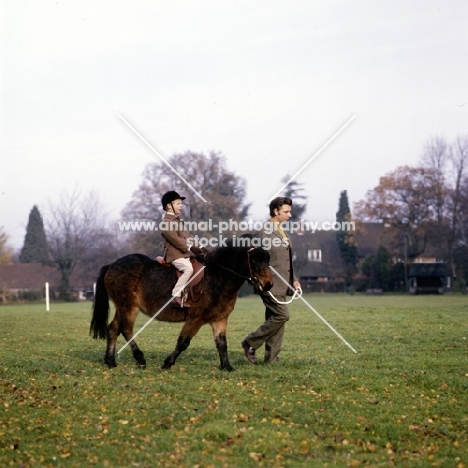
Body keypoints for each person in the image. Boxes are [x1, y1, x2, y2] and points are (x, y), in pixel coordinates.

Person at [241, 196, 301, 364]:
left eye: (290, 211)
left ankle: (271, 359)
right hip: (269, 283)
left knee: (275, 320)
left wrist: (294, 280)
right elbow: (257, 261)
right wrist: (257, 281)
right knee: (282, 315)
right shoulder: (264, 232)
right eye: (286, 212)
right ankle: (250, 342)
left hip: (283, 283)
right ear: (276, 211)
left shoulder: (282, 230)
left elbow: (287, 259)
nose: (289, 215)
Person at [160, 190, 202, 308]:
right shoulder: (166, 223)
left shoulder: (178, 221)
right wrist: (190, 247)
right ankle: (176, 295)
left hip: (185, 254)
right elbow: (175, 239)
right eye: (178, 204)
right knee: (188, 269)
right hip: (174, 255)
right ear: (169, 206)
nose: (181, 206)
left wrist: (201, 247)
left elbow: (189, 236)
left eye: (181, 204)